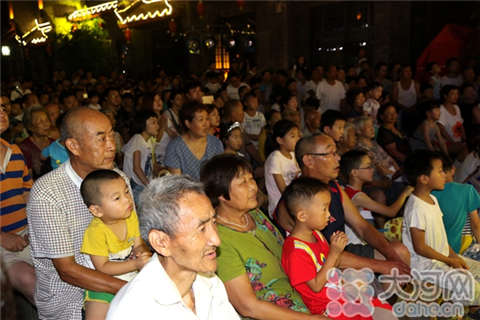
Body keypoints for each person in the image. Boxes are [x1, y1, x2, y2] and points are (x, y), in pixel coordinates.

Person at [27, 108, 127, 320]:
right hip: (68, 296)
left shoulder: (117, 179)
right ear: (73, 146)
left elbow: (130, 236)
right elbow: (67, 271)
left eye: (111, 135)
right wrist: (133, 289)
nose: (111, 145)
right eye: (101, 139)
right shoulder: (48, 193)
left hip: (116, 274)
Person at [200, 154, 327, 320]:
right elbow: (248, 306)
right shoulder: (219, 240)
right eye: (242, 182)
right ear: (221, 195)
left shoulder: (255, 214)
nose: (253, 186)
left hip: (305, 300)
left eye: (251, 178)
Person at [275, 133, 411, 276]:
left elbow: (362, 226)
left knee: (399, 252)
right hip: (319, 263)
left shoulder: (334, 187)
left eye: (336, 152)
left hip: (341, 251)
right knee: (355, 276)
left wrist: (390, 255)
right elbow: (323, 252)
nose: (338, 158)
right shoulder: (295, 201)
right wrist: (382, 266)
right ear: (309, 160)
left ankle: (388, 298)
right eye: (330, 153)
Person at [106, 175, 240, 319]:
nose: (216, 240)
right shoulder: (133, 310)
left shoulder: (209, 281)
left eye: (213, 222)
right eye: (201, 229)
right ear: (161, 242)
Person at [281, 177, 397, 320]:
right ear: (302, 215)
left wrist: (336, 251)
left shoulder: (316, 234)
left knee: (383, 309)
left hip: (339, 293)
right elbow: (316, 286)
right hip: (327, 307)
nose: (329, 215)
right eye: (324, 209)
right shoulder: (296, 251)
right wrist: (334, 253)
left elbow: (332, 266)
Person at [402, 150, 480, 318]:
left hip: (442, 258)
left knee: (477, 271)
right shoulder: (416, 207)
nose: (444, 174)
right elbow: (420, 247)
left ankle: (456, 309)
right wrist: (449, 261)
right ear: (423, 178)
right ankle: (449, 310)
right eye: (439, 171)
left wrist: (454, 256)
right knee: (468, 284)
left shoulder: (433, 199)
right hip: (424, 265)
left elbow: (442, 236)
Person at [79, 170, 151, 320]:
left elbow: (138, 244)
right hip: (103, 286)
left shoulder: (130, 217)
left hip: (133, 278)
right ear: (97, 210)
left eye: (126, 192)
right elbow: (103, 267)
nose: (127, 199)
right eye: (117, 198)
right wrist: (136, 264)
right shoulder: (95, 232)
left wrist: (143, 254)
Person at [0, 104, 36, 306]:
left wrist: (36, 226)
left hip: (25, 234)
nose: (2, 113)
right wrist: (2, 237)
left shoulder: (14, 151)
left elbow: (27, 195)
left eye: (3, 107)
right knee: (30, 280)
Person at [340, 150, 413, 230]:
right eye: (368, 167)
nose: (372, 170)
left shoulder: (349, 191)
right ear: (354, 172)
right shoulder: (358, 197)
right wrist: (404, 193)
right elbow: (391, 212)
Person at [431, 153, 480, 258]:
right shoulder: (467, 190)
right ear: (453, 170)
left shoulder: (428, 195)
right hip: (463, 247)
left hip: (438, 248)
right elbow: (475, 224)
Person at [164, 101, 223, 179]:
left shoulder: (215, 143)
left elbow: (221, 174)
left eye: (207, 119)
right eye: (201, 120)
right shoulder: (175, 147)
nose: (206, 124)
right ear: (188, 123)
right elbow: (176, 182)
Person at [265, 120, 301, 218]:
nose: (297, 139)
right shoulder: (275, 158)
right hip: (280, 206)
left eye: (298, 135)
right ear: (280, 140)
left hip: (293, 201)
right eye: (293, 136)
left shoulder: (293, 155)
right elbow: (283, 190)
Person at [122, 110, 159, 204]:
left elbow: (152, 162)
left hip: (144, 183)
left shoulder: (150, 140)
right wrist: (149, 185)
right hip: (136, 183)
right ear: (143, 124)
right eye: (153, 123)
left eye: (157, 123)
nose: (157, 126)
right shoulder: (137, 139)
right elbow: (136, 168)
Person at [19, 106, 54, 179]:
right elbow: (28, 178)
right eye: (40, 121)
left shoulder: (54, 143)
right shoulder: (25, 148)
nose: (46, 124)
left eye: (47, 120)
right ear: (30, 127)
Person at [391, 65, 421, 135]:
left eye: (410, 71)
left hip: (414, 111)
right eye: (406, 71)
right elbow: (394, 100)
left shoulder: (416, 84)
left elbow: (419, 99)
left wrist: (413, 107)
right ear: (401, 73)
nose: (408, 73)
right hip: (401, 111)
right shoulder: (396, 86)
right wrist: (403, 107)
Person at [437, 85, 466, 156]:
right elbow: (441, 129)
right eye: (453, 94)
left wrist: (464, 138)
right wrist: (453, 143)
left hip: (458, 140)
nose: (456, 96)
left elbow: (460, 124)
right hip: (446, 142)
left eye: (457, 93)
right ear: (445, 96)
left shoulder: (456, 107)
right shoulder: (440, 109)